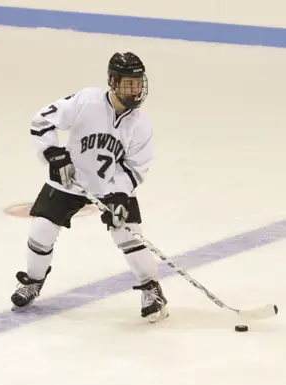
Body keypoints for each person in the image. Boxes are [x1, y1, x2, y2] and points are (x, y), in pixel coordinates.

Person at [11, 52, 169, 323]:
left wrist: (120, 195)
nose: (135, 89)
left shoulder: (141, 123)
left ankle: (152, 290)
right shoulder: (87, 100)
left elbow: (136, 167)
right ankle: (33, 281)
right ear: (112, 81)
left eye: (138, 82)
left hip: (110, 187)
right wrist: (53, 154)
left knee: (129, 236)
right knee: (42, 230)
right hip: (69, 179)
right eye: (128, 83)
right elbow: (42, 121)